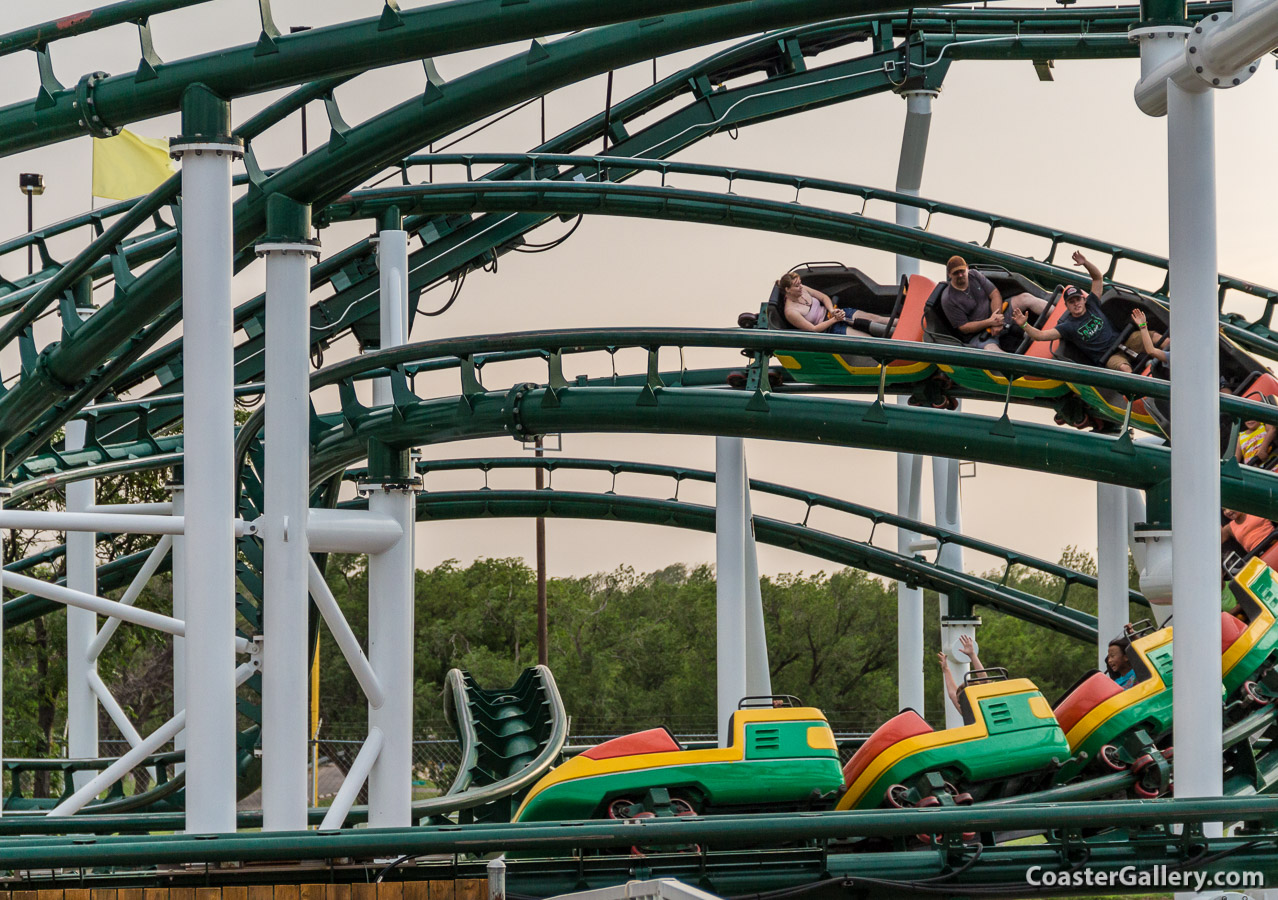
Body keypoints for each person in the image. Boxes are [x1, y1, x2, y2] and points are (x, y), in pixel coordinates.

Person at [1010, 251, 1165, 372]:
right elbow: (1040, 335)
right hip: (1110, 356)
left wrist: (1085, 263)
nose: (1076, 304)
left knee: (1158, 338)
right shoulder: (1068, 326)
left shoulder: (1092, 303)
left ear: (1083, 299)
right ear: (1067, 306)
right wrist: (1025, 326)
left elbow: (1097, 279)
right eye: (1072, 302)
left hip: (1124, 340)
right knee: (1124, 369)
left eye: (1078, 299)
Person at [939, 255, 1047, 351]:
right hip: (980, 334)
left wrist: (997, 319)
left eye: (962, 271)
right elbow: (964, 327)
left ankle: (1058, 315)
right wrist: (990, 322)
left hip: (997, 314)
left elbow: (995, 294)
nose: (960, 275)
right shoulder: (948, 298)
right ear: (950, 275)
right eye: (956, 273)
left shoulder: (974, 275)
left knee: (1025, 298)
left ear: (967, 268)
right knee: (992, 351)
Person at [778, 272, 890, 334]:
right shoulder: (791, 312)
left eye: (800, 283)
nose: (801, 287)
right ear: (788, 289)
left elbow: (823, 297)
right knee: (866, 338)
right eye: (797, 286)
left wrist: (832, 310)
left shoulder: (803, 289)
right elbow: (814, 329)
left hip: (834, 314)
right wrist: (834, 320)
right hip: (829, 328)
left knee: (875, 318)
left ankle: (902, 323)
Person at [938, 634, 985, 713]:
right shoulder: (967, 712)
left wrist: (972, 655)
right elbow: (952, 693)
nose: (960, 704)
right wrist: (946, 670)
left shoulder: (984, 703)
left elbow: (984, 680)